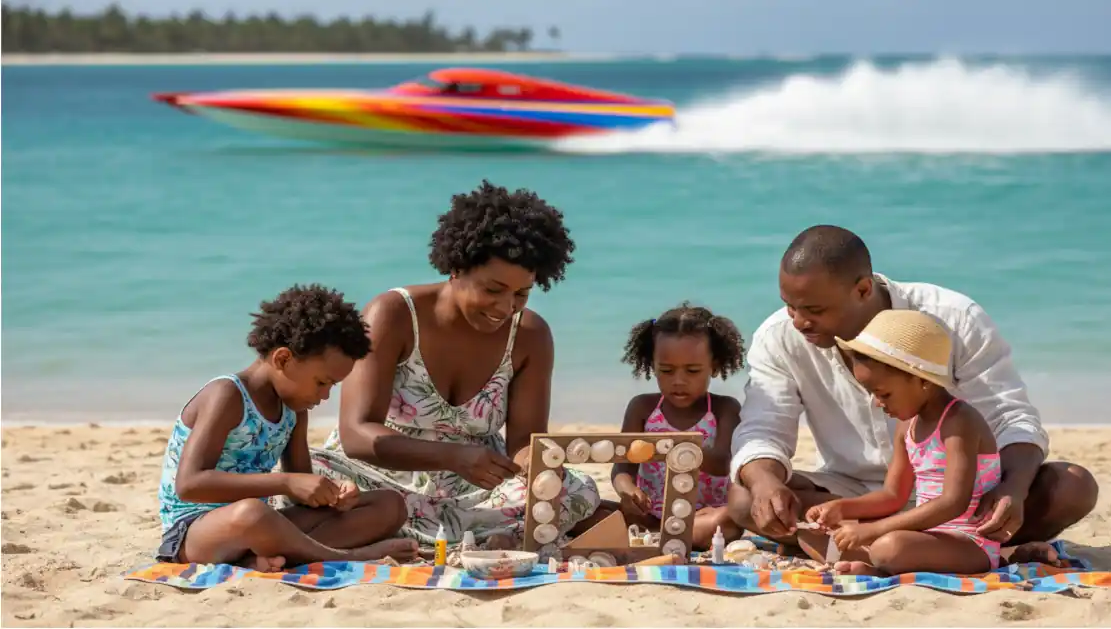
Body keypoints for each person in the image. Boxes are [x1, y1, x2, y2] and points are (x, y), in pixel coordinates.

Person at [729, 225, 1098, 560]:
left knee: (1072, 487)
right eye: (789, 305)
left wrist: (1013, 489)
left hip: (965, 500)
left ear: (862, 289)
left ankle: (908, 545)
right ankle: (901, 544)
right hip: (855, 493)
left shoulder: (953, 317)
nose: (798, 321)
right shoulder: (779, 337)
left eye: (814, 309)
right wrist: (765, 483)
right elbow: (763, 429)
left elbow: (1010, 417)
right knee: (748, 498)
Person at [308, 180, 601, 550]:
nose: (505, 307)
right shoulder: (394, 314)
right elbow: (356, 434)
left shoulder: (530, 336)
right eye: (493, 290)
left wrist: (538, 465)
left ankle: (440, 534)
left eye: (521, 294)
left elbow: (523, 443)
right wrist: (454, 456)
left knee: (574, 489)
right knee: (311, 470)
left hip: (476, 485)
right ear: (456, 268)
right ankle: (475, 536)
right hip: (382, 475)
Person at [157, 284, 416, 571]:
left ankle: (265, 558)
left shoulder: (294, 410)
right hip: (194, 532)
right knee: (252, 513)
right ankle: (348, 557)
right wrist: (285, 481)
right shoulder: (227, 395)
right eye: (322, 382)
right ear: (283, 359)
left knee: (389, 506)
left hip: (262, 525)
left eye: (333, 386)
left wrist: (333, 496)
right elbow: (190, 485)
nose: (325, 396)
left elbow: (299, 491)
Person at [806, 308, 1004, 575]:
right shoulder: (907, 425)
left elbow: (953, 502)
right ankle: (875, 564)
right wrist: (840, 508)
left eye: (884, 393)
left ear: (921, 380)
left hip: (969, 542)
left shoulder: (960, 421)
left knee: (890, 547)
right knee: (812, 536)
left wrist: (872, 530)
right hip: (925, 535)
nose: (877, 403)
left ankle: (877, 565)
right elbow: (893, 495)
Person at [611, 303, 746, 549]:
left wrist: (676, 449)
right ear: (652, 366)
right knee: (590, 509)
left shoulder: (724, 409)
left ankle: (661, 537)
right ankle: (664, 535)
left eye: (693, 370)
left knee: (730, 519)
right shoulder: (642, 408)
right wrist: (628, 491)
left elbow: (723, 463)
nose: (679, 381)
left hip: (702, 515)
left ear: (714, 367)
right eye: (667, 370)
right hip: (649, 514)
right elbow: (622, 466)